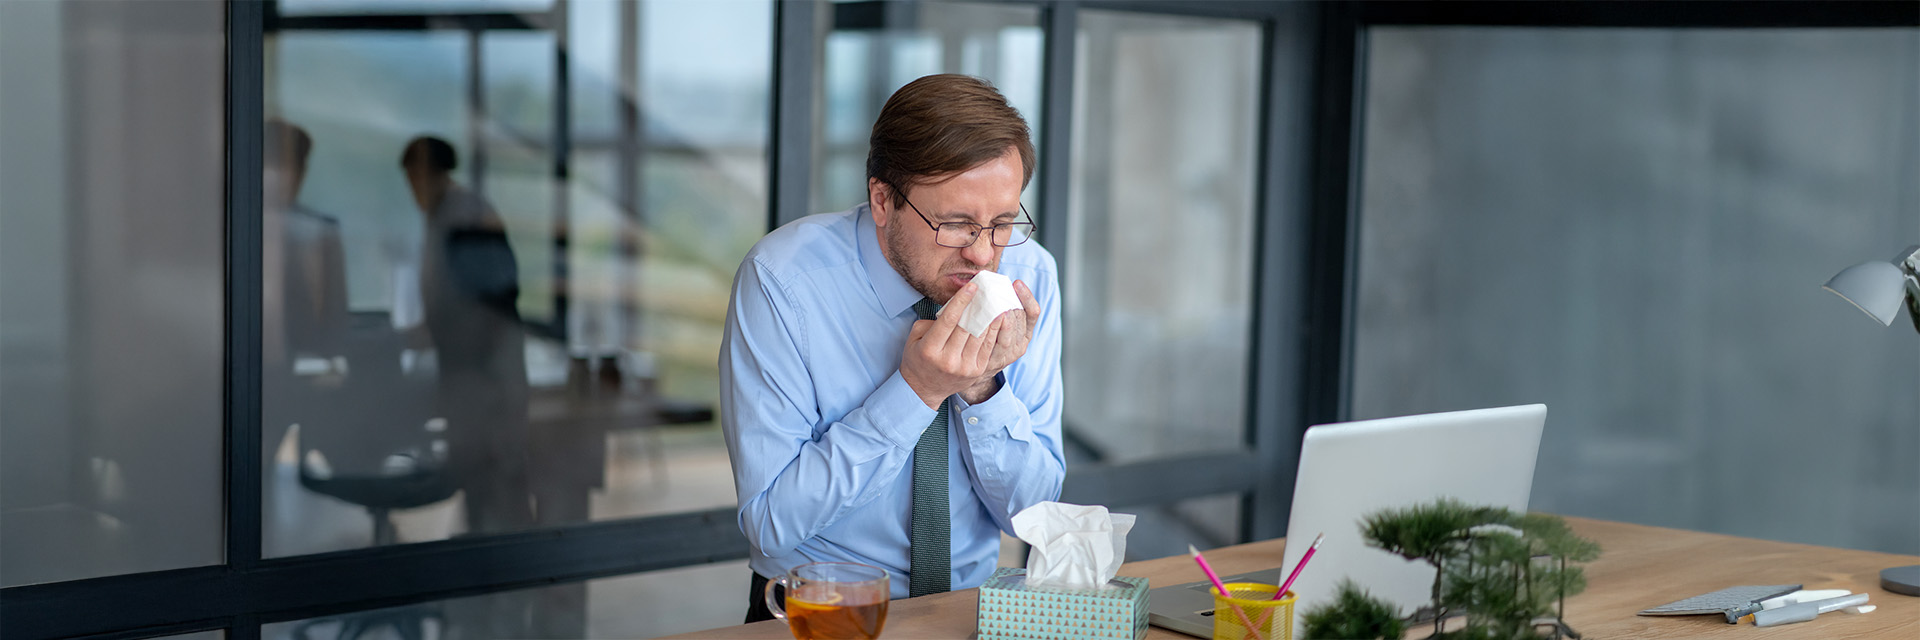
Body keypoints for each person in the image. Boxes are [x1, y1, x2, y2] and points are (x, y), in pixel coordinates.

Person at [720, 74, 1064, 623]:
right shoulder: (782, 282)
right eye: (955, 224)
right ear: (883, 200)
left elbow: (1035, 516)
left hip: (970, 611)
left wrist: (980, 387)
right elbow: (771, 522)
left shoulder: (1031, 274)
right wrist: (918, 391)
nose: (983, 255)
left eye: (1001, 223)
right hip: (820, 611)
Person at [398, 136, 535, 534]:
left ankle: (509, 585)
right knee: (483, 485)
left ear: (429, 174)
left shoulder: (463, 216)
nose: (413, 192)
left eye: (414, 178)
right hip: (473, 374)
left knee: (498, 484)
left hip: (487, 377)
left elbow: (490, 302)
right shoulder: (447, 215)